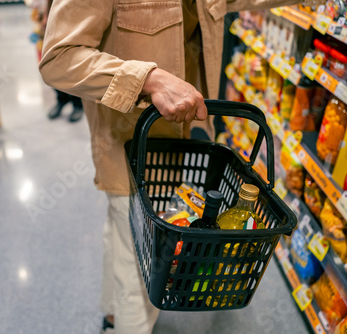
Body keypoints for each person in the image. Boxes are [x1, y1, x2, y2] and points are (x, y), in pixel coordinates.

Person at [39, 1, 322, 333]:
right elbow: (59, 59)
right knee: (139, 272)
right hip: (126, 138)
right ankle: (125, 319)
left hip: (169, 139)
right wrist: (149, 79)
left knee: (121, 235)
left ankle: (113, 316)